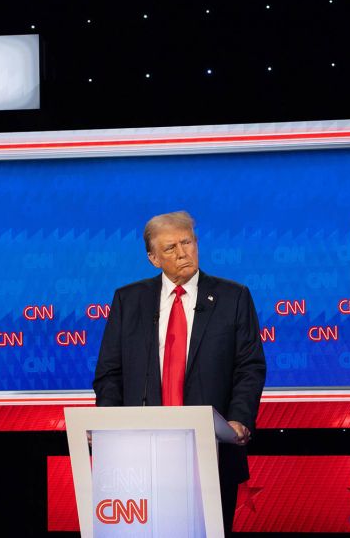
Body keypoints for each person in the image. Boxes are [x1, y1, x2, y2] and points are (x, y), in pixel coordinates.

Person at [93, 211, 267, 535]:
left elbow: (250, 366)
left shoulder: (233, 297)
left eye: (186, 242)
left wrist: (239, 419)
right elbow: (109, 373)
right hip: (140, 453)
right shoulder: (128, 300)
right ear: (153, 258)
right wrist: (108, 428)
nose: (182, 252)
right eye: (170, 247)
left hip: (211, 451)